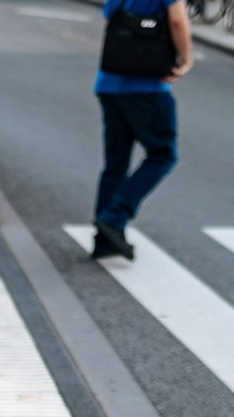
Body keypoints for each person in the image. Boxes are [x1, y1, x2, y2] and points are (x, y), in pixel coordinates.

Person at [90, 0, 193, 261]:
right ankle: (114, 218)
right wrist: (186, 59)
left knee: (115, 162)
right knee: (163, 154)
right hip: (147, 87)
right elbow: (178, 20)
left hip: (110, 84)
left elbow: (108, 21)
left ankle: (104, 240)